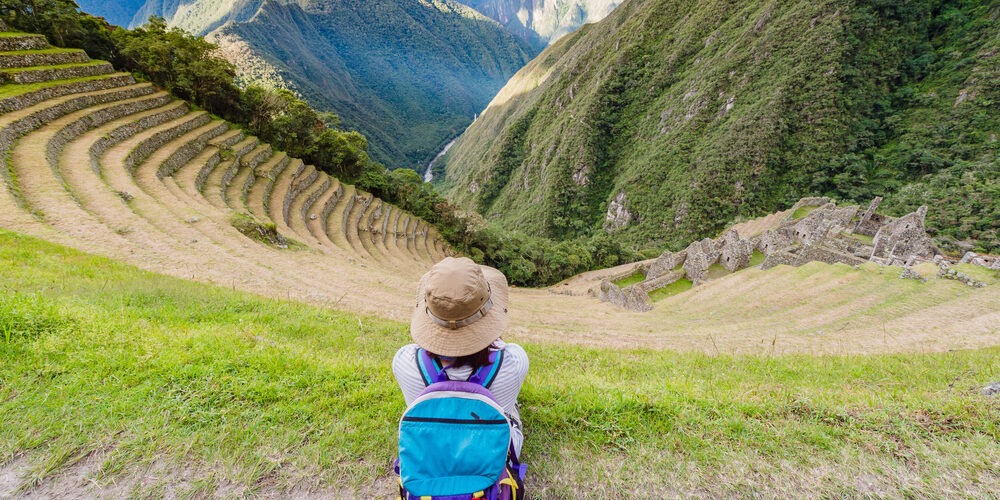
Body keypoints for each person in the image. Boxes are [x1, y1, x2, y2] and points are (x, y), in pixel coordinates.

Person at [392, 256, 529, 457]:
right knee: (510, 410)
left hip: (432, 452)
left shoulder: (404, 361)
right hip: (489, 454)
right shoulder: (513, 362)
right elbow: (502, 347)